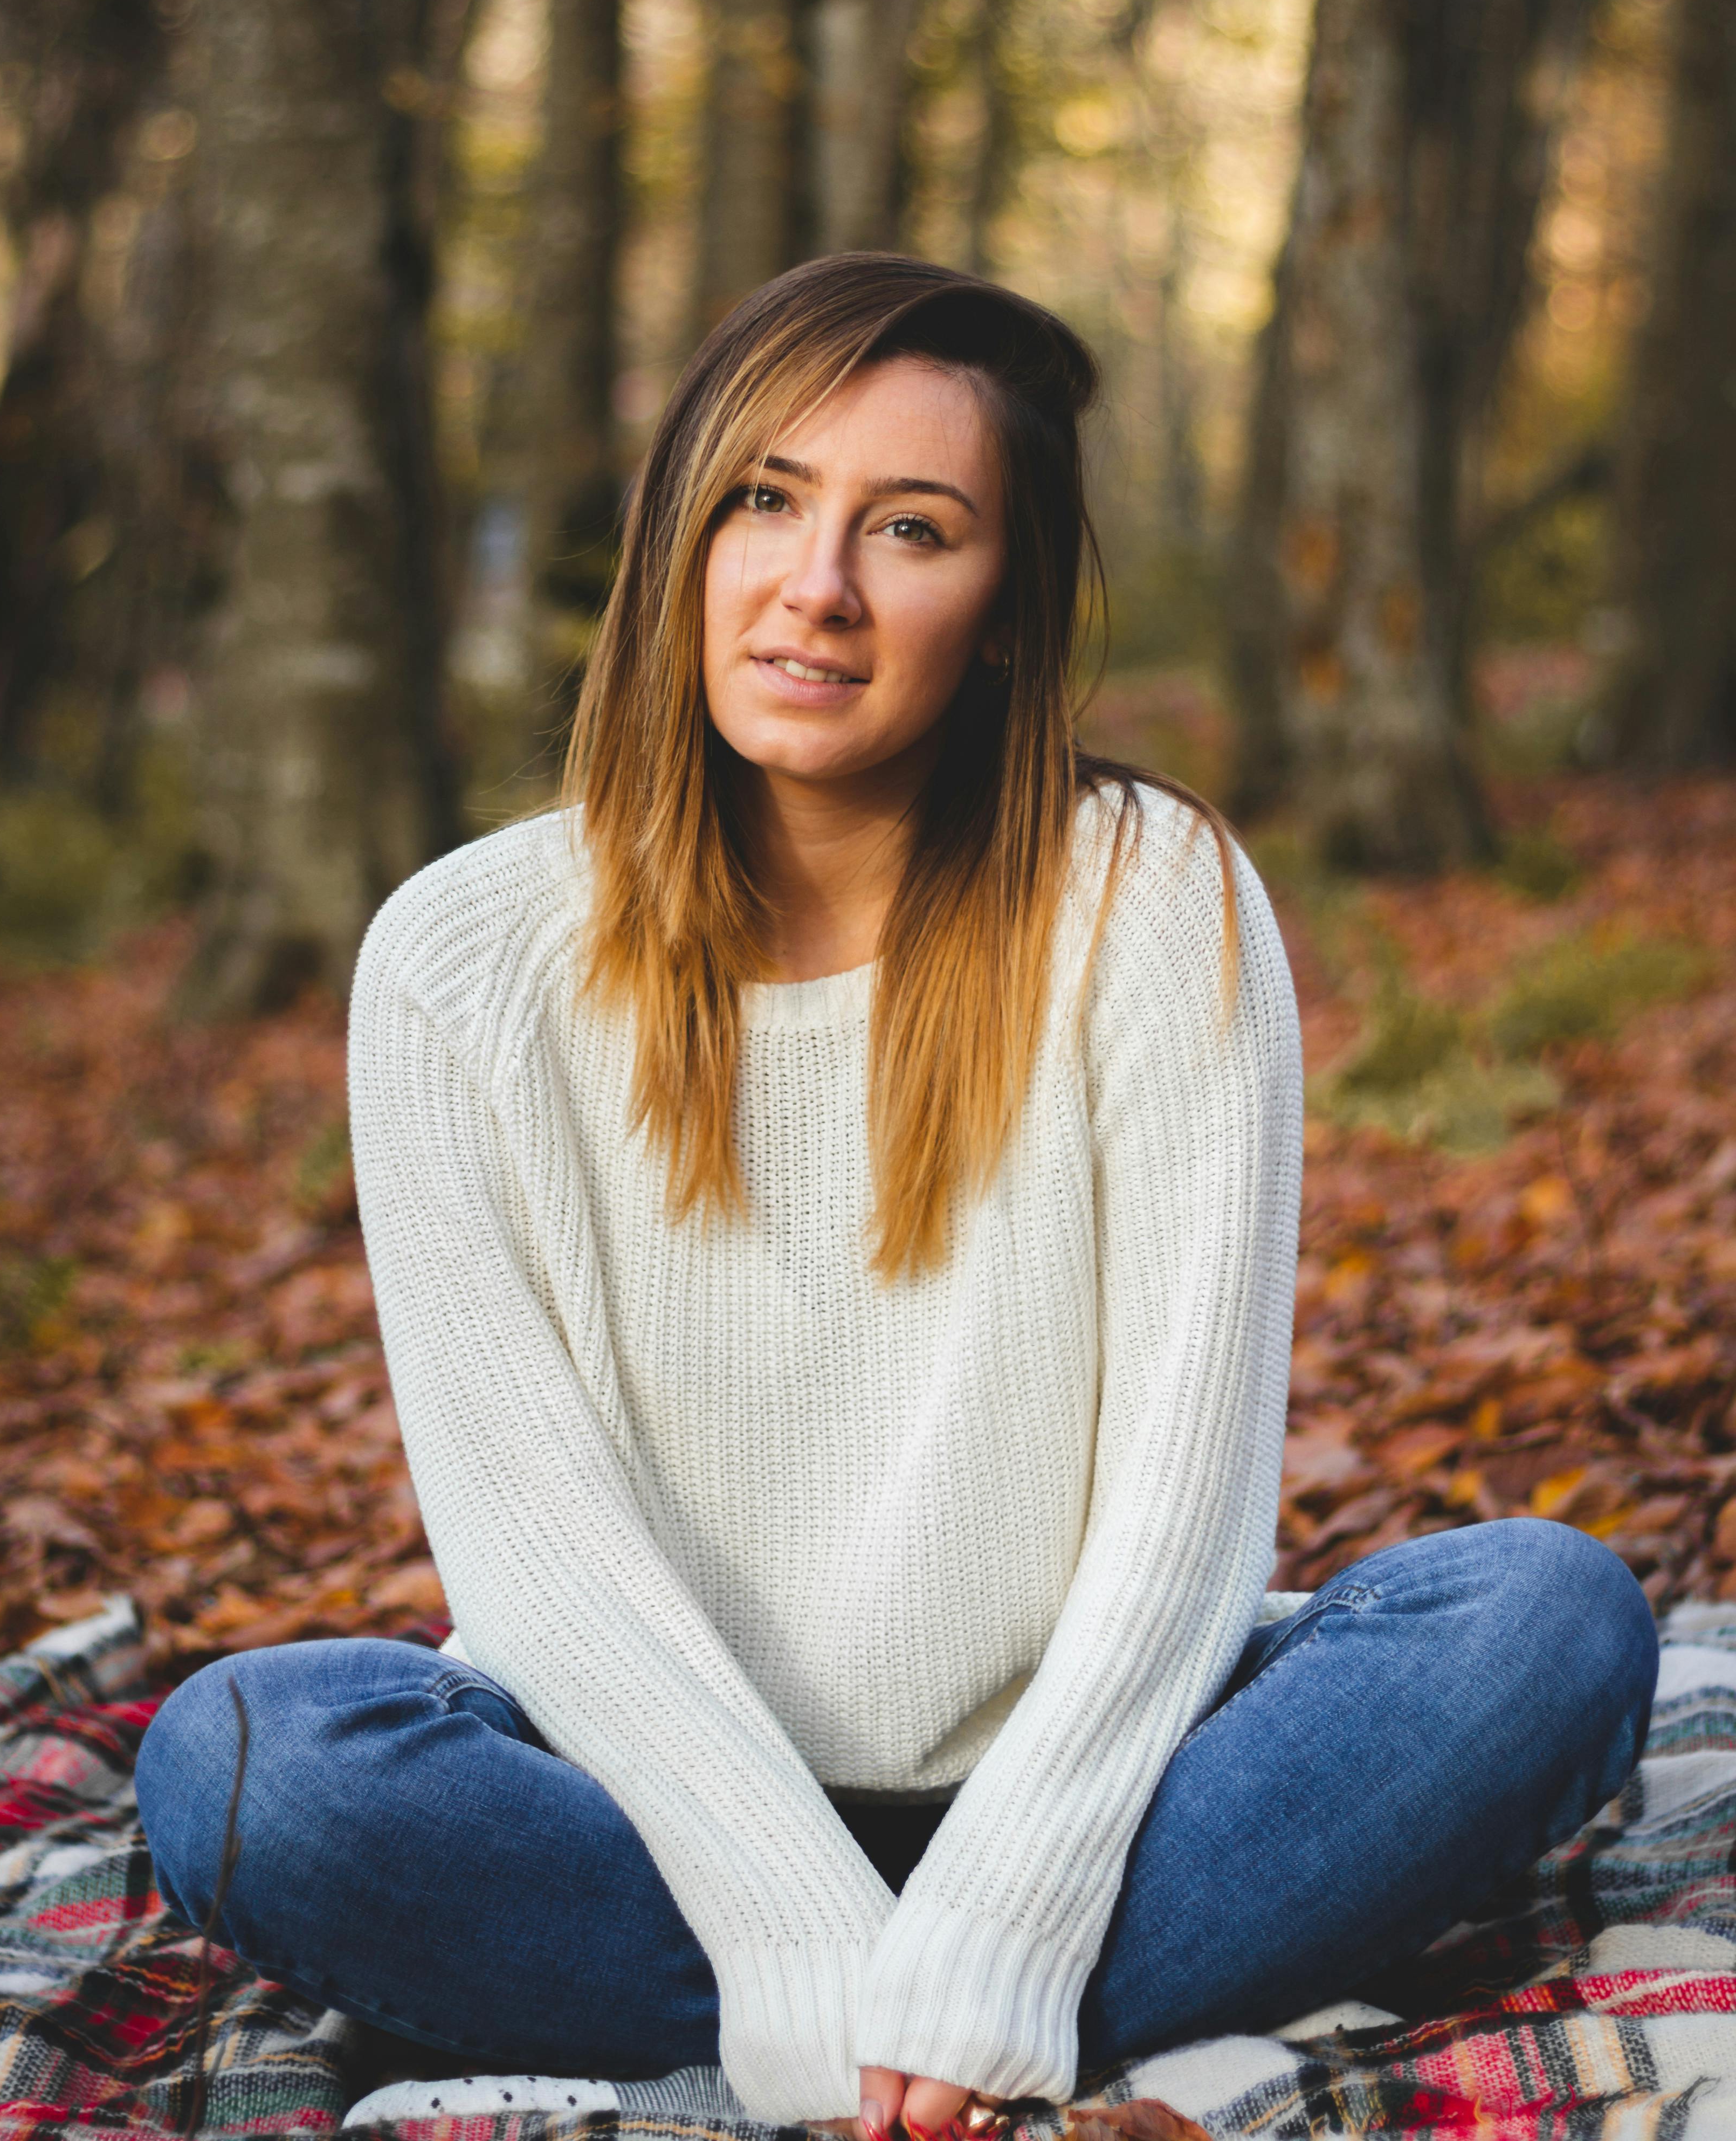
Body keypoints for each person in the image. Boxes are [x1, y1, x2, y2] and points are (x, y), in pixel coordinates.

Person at [137, 257, 1657, 2138]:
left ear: (1005, 608)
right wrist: (786, 1920)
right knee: (252, 1765)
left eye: (913, 529)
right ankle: (921, 2031)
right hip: (641, 1798)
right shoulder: (462, 959)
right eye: (765, 499)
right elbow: (532, 1552)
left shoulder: (1146, 899)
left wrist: (1015, 1901)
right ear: (681, 540)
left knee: (1549, 1620)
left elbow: (1186, 1507)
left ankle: (936, 2015)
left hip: (1102, 1783)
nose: (817, 585)